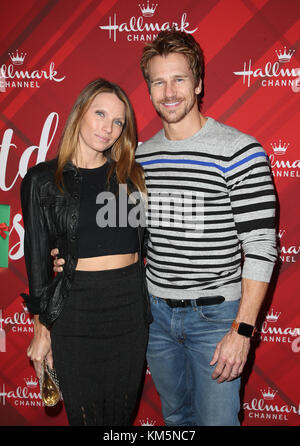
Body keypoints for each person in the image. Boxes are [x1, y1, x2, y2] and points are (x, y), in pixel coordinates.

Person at [53, 30, 278, 426]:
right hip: (154, 317)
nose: (169, 91)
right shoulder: (139, 159)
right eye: (158, 81)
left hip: (216, 318)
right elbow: (114, 229)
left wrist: (242, 329)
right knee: (175, 420)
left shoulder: (240, 151)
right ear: (149, 89)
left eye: (179, 79)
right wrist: (67, 259)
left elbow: (261, 245)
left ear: (199, 83)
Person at [20, 78, 151, 426]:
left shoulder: (132, 176)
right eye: (100, 114)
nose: (108, 128)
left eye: (118, 121)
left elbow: (143, 242)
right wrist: (41, 328)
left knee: (121, 418)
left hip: (129, 309)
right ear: (80, 113)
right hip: (76, 310)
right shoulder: (42, 180)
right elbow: (36, 262)